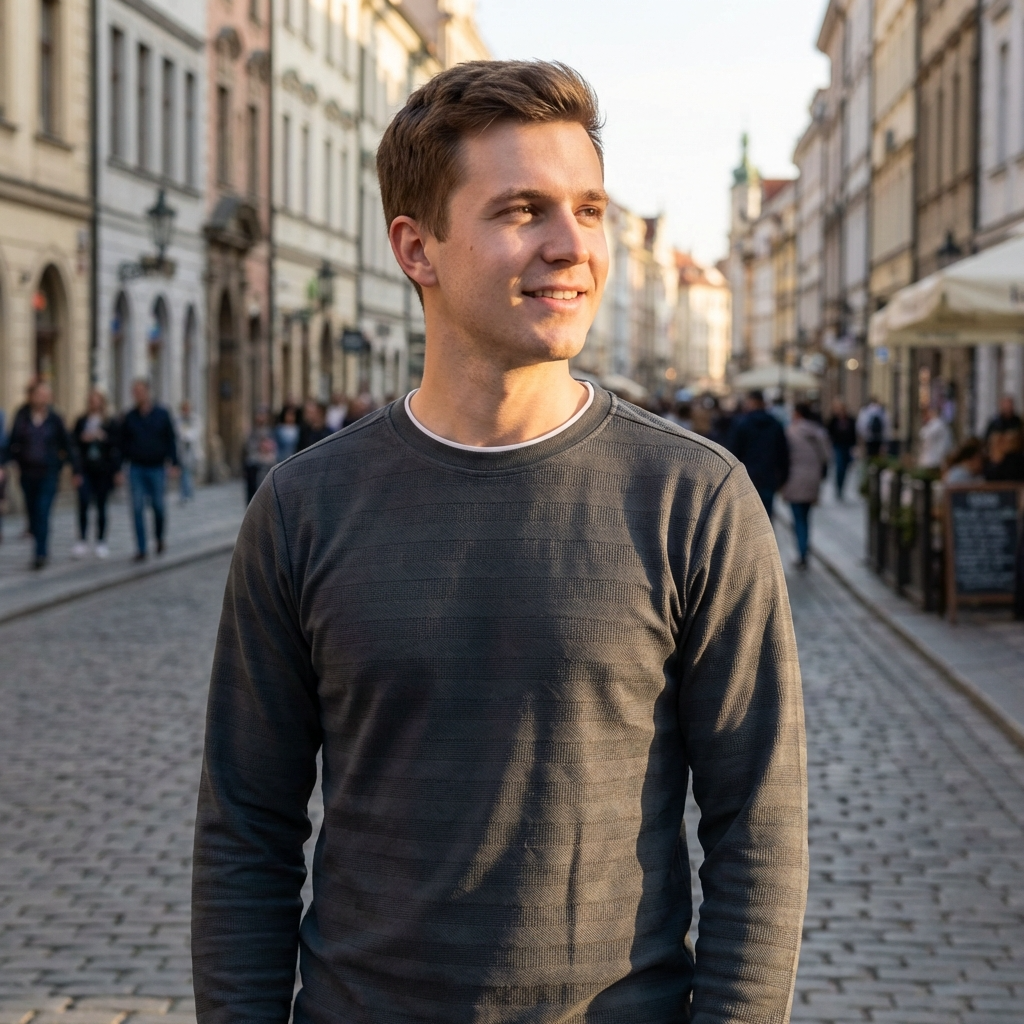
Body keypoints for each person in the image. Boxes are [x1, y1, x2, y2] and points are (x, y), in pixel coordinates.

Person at [192, 60, 807, 1023]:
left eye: (591, 210)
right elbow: (245, 827)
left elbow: (758, 832)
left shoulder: (696, 498)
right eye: (524, 210)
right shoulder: (303, 506)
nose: (573, 247)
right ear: (417, 247)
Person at [5, 381, 77, 569]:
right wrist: (5, 464)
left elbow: (67, 445)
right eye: (39, 394)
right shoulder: (22, 415)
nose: (43, 398)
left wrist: (73, 468)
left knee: (42, 511)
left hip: (48, 473)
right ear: (31, 396)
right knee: (32, 511)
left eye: (46, 394)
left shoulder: (54, 418)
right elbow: (12, 442)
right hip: (27, 473)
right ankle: (38, 544)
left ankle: (40, 553)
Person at [120, 380, 178, 561]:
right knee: (136, 508)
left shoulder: (162, 413)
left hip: (157, 467)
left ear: (147, 392)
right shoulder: (129, 417)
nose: (137, 395)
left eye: (140, 391)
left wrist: (174, 462)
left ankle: (159, 538)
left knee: (159, 507)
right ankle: (141, 548)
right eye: (134, 392)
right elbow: (123, 444)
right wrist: (119, 468)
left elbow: (171, 439)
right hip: (136, 467)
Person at [72, 390, 122, 559]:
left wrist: (104, 438)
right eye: (91, 401)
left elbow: (116, 445)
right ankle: (82, 540)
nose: (94, 404)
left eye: (97, 401)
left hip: (103, 470)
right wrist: (83, 439)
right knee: (83, 503)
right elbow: (74, 444)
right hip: (86, 468)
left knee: (101, 506)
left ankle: (101, 541)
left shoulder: (109, 422)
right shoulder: (81, 421)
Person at [727, 389, 790, 517]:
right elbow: (783, 453)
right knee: (766, 516)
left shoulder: (742, 424)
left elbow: (734, 452)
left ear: (752, 402)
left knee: (747, 517)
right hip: (769, 476)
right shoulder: (775, 424)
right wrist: (783, 478)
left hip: (747, 476)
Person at [782, 402, 831, 569]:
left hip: (794, 478)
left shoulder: (790, 432)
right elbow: (826, 456)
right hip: (813, 478)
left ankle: (802, 552)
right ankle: (804, 550)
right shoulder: (818, 431)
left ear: (797, 414)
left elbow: (783, 456)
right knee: (806, 517)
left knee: (798, 518)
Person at [243, 408, 277, 504]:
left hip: (266, 464)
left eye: (263, 415)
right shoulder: (252, 431)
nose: (261, 418)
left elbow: (273, 446)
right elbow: (248, 447)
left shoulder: (269, 431)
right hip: (253, 462)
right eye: (259, 415)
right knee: (251, 489)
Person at [826, 398, 857, 500]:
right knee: (840, 467)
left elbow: (854, 434)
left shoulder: (850, 420)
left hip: (848, 446)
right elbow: (828, 433)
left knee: (845, 468)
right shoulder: (833, 420)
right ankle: (838, 488)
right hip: (837, 446)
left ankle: (841, 487)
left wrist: (855, 447)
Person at [176, 400, 201, 504]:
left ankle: (187, 493)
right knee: (184, 472)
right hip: (181, 450)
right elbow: (178, 432)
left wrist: (187, 435)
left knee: (187, 472)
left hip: (191, 450)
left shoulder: (194, 419)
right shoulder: (178, 420)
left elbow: (195, 433)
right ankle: (186, 493)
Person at [917, 406, 953, 470]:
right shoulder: (935, 424)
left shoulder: (937, 424)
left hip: (934, 460)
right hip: (933, 459)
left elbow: (923, 435)